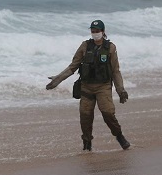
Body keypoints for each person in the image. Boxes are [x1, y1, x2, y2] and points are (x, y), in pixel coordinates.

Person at [46, 20, 131, 151]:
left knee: (108, 113)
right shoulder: (84, 46)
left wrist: (121, 90)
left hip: (103, 87)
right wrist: (58, 79)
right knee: (85, 116)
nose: (95, 33)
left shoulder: (111, 48)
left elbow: (115, 71)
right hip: (86, 87)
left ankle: (119, 136)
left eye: (97, 31)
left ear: (103, 31)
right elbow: (72, 67)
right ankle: (87, 143)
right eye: (93, 31)